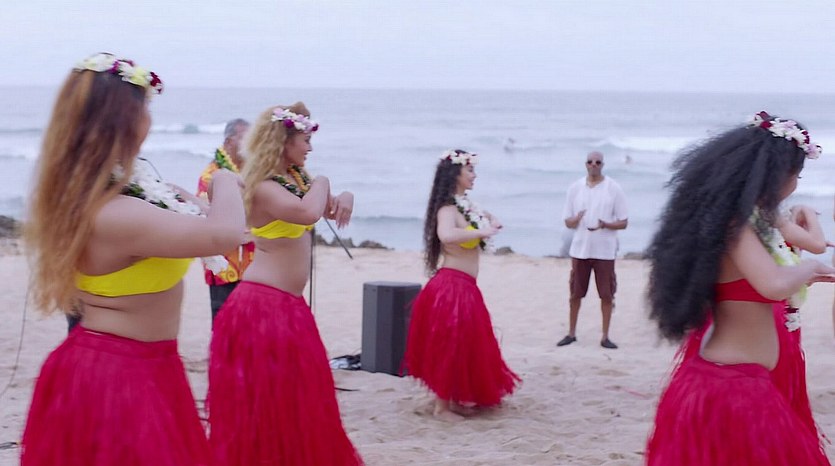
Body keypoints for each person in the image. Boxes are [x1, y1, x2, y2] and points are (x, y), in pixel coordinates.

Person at [21, 52, 246, 466]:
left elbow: (201, 223)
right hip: (118, 375)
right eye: (145, 107)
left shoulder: (109, 197)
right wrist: (227, 178)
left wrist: (196, 201)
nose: (150, 118)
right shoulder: (115, 212)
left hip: (145, 365)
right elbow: (225, 235)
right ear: (123, 120)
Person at [644, 111, 835, 465]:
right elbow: (773, 284)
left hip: (736, 381)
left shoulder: (749, 222)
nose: (795, 184)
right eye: (796, 175)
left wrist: (804, 264)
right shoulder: (735, 226)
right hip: (731, 388)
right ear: (776, 174)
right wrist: (809, 267)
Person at [207, 102, 362, 465]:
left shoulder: (294, 181)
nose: (310, 148)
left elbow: (321, 208)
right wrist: (325, 182)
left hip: (288, 306)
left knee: (301, 396)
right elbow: (308, 212)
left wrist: (346, 196)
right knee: (268, 403)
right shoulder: (263, 187)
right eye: (305, 140)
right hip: (262, 308)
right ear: (283, 141)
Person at [403, 149, 521, 417]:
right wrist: (482, 231)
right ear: (455, 173)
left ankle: (453, 399)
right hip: (451, 286)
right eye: (470, 170)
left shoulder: (466, 206)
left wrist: (492, 221)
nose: (474, 175)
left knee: (465, 344)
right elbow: (446, 234)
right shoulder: (447, 209)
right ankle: (442, 406)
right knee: (450, 344)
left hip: (466, 285)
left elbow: (487, 217)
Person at [557, 151, 628, 349]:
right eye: (590, 162)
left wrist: (606, 224)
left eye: (597, 162)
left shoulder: (613, 188)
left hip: (605, 251)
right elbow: (568, 222)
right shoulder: (575, 188)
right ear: (585, 164)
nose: (594, 165)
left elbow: (623, 222)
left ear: (602, 164)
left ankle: (605, 337)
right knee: (575, 293)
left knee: (606, 294)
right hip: (580, 250)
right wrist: (576, 219)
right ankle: (571, 333)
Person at [196, 118, 255, 323]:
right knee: (224, 324)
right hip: (224, 266)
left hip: (252, 263)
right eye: (245, 138)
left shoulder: (253, 170)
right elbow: (207, 214)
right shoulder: (211, 176)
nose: (251, 144)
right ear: (229, 142)